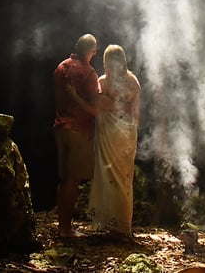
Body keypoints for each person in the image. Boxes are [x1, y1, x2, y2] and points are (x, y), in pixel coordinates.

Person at [67, 43, 141, 240]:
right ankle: (122, 225)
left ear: (108, 62)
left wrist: (75, 97)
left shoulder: (103, 82)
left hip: (110, 135)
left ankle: (115, 225)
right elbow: (135, 115)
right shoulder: (134, 82)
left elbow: (95, 110)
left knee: (111, 177)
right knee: (124, 179)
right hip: (128, 135)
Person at [52, 33, 100, 238]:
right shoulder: (89, 73)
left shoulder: (61, 67)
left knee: (64, 179)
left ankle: (62, 224)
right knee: (73, 180)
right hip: (78, 130)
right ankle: (65, 229)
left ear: (75, 46)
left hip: (60, 127)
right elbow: (95, 110)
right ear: (93, 52)